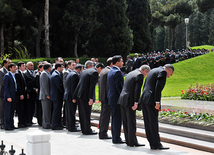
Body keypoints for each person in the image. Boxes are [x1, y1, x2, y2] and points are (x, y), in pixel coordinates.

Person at [139, 64, 174, 150]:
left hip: (144, 98)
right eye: (171, 74)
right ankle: (157, 144)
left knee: (148, 122)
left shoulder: (153, 70)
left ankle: (152, 143)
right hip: (151, 100)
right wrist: (157, 102)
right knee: (153, 122)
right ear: (169, 70)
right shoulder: (162, 72)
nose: (169, 76)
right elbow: (158, 88)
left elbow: (145, 85)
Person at [118, 65, 150, 147]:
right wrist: (136, 102)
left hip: (122, 99)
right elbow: (137, 90)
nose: (146, 76)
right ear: (145, 71)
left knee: (125, 121)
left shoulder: (131, 73)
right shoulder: (139, 75)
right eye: (147, 74)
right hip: (130, 100)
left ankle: (128, 140)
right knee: (131, 121)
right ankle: (132, 142)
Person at [73, 62, 104, 135]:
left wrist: (74, 96)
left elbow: (79, 84)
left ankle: (84, 129)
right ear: (99, 68)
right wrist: (90, 98)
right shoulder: (94, 73)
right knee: (86, 113)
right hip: (85, 96)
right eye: (102, 70)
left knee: (82, 113)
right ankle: (87, 130)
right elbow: (92, 86)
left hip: (80, 95)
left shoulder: (85, 71)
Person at [107, 55, 124, 144]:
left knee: (114, 119)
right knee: (117, 119)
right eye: (121, 61)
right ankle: (116, 138)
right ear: (117, 63)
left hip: (112, 98)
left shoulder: (111, 71)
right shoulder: (117, 72)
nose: (123, 63)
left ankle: (115, 137)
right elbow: (119, 87)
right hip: (117, 99)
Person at [64, 64, 83, 132]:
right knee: (72, 112)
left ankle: (69, 125)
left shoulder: (70, 73)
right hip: (71, 96)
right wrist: (74, 98)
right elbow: (74, 88)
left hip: (67, 95)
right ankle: (72, 127)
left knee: (69, 112)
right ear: (79, 69)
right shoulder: (75, 75)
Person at [98, 57, 113, 139]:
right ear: (111, 63)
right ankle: (103, 133)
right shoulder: (109, 71)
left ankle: (102, 131)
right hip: (107, 97)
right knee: (105, 116)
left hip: (103, 96)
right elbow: (108, 87)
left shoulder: (104, 71)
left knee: (103, 115)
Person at [3, 63, 18, 130]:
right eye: (14, 67)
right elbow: (6, 87)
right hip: (9, 97)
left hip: (13, 96)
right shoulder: (7, 76)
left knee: (12, 112)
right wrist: (8, 96)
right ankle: (7, 125)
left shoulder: (13, 75)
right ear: (10, 68)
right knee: (8, 112)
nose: (15, 68)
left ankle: (11, 124)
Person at [50, 63, 64, 130]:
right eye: (62, 67)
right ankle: (55, 125)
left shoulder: (56, 74)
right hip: (57, 96)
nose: (62, 68)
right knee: (56, 111)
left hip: (56, 96)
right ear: (58, 68)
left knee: (57, 110)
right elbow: (60, 87)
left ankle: (58, 124)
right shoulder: (56, 75)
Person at [39, 63, 52, 129]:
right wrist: (47, 94)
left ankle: (47, 123)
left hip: (46, 95)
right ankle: (46, 124)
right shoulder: (44, 73)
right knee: (46, 111)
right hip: (45, 95)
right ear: (49, 67)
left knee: (47, 110)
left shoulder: (47, 73)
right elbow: (45, 85)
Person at [15, 61, 27, 128]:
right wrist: (21, 94)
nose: (24, 67)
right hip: (20, 94)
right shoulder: (17, 74)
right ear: (19, 67)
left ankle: (23, 122)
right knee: (20, 109)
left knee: (24, 108)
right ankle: (20, 123)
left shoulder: (22, 73)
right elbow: (18, 85)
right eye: (23, 66)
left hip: (24, 93)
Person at [24, 62, 36, 126]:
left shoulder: (33, 72)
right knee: (28, 107)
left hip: (33, 93)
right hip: (29, 92)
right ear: (27, 66)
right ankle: (28, 120)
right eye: (31, 65)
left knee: (32, 107)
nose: (32, 66)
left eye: (33, 65)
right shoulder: (25, 73)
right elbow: (25, 83)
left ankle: (30, 120)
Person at [0, 59, 11, 129]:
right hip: (3, 93)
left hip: (8, 93)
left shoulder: (9, 71)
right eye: (9, 63)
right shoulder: (1, 72)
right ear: (4, 64)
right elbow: (2, 83)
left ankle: (8, 123)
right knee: (2, 109)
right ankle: (2, 123)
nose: (10, 64)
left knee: (8, 109)